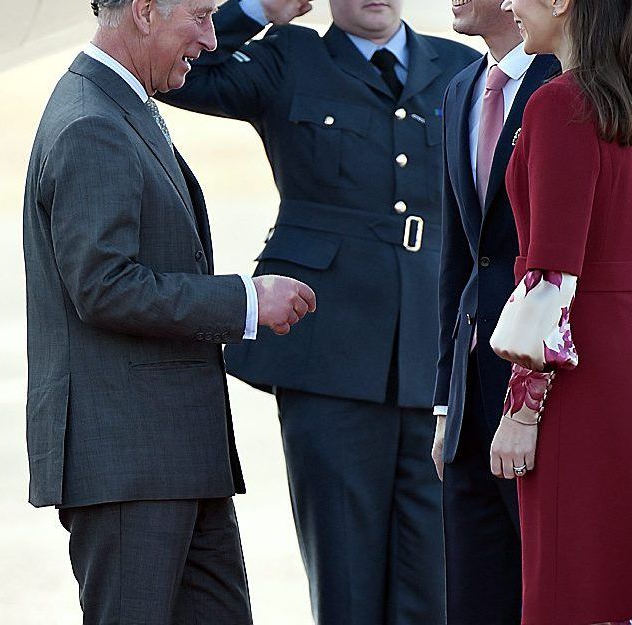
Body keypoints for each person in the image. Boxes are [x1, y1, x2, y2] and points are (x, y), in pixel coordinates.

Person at [156, 0, 477, 622]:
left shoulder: (462, 67)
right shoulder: (288, 57)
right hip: (326, 346)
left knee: (435, 579)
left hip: (435, 348)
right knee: (345, 576)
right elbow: (180, 72)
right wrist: (253, 8)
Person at [22, 0, 316, 622]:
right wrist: (245, 300)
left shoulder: (119, 107)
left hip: (175, 458)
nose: (211, 40)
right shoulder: (90, 122)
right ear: (147, 11)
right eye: (203, 16)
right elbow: (102, 285)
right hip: (129, 460)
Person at [488, 0, 632, 622]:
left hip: (577, 379)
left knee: (571, 581)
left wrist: (522, 409)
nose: (510, 4)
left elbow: (551, 276)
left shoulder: (558, 104)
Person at [432, 1, 558, 622]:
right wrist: (442, 404)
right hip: (469, 403)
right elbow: (458, 260)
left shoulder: (570, 86)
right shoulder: (460, 89)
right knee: (475, 598)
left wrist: (538, 399)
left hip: (547, 394)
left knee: (548, 594)